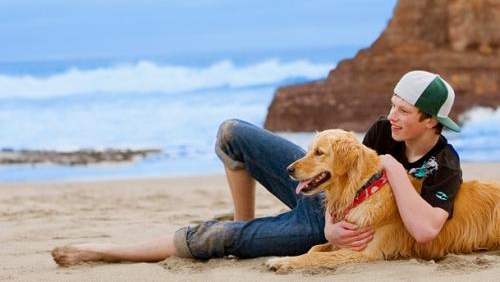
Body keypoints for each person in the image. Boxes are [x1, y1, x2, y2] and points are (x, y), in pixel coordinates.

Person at [52, 70, 463, 266]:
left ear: (431, 122)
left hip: (329, 228)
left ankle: (107, 252)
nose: (390, 115)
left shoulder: (444, 165)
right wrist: (328, 226)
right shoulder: (383, 130)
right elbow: (345, 178)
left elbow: (426, 229)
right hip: (324, 209)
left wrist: (390, 169)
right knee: (232, 131)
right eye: (392, 103)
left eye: (403, 110)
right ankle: (246, 222)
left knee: (214, 236)